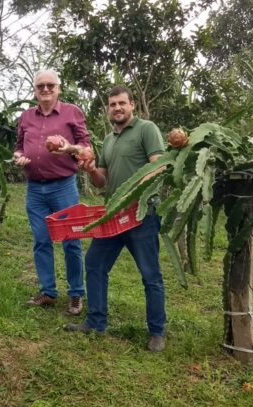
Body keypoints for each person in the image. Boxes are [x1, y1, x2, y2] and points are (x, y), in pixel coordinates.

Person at [65, 86, 168, 352]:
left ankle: (157, 332)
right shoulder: (108, 140)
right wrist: (89, 170)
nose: (117, 108)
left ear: (132, 105)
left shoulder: (147, 129)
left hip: (141, 214)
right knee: (95, 263)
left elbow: (159, 165)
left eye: (122, 103)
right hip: (112, 214)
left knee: (150, 274)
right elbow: (103, 179)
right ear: (108, 109)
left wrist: (133, 195)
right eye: (112, 104)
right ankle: (96, 322)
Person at [13, 69, 90, 316]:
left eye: (50, 85)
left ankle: (76, 294)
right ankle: (48, 292)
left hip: (63, 186)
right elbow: (17, 148)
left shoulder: (72, 113)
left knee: (71, 242)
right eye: (40, 86)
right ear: (34, 90)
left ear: (59, 88)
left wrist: (69, 148)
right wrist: (19, 158)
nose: (45, 89)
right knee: (41, 240)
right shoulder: (26, 117)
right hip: (34, 189)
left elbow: (86, 147)